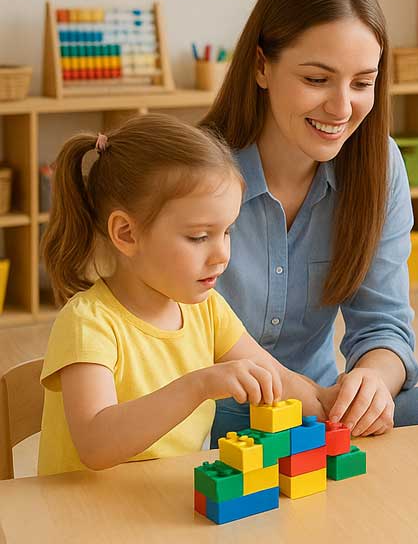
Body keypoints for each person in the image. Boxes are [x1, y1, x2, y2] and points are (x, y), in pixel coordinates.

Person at [202, 0, 418, 442]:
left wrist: (371, 384)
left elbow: (384, 324)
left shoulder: (378, 166)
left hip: (321, 411)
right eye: (318, 80)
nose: (342, 109)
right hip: (204, 417)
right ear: (262, 66)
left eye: (362, 83)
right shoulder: (193, 171)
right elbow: (167, 336)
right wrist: (306, 396)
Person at [38, 114, 301, 475]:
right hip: (82, 520)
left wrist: (329, 400)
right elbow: (95, 445)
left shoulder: (207, 309)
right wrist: (199, 385)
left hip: (164, 506)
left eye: (227, 232)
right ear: (127, 234)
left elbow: (276, 377)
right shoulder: (87, 324)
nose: (223, 253)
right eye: (199, 236)